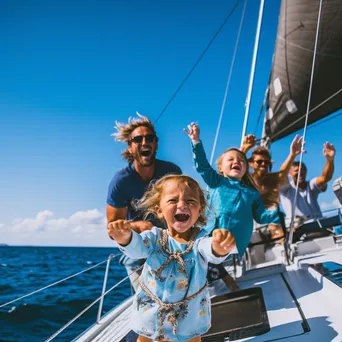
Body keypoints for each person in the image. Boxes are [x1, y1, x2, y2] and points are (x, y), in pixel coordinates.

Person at [108, 174, 236, 342]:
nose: (182, 204)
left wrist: (219, 247)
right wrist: (125, 237)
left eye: (191, 201)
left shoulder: (200, 241)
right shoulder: (154, 237)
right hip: (152, 314)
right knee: (145, 338)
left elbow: (210, 249)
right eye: (173, 200)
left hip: (189, 317)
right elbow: (138, 248)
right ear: (159, 210)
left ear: (199, 210)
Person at [106, 114, 181, 290]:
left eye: (150, 138)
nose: (144, 142)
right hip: (139, 254)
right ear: (130, 148)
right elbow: (112, 229)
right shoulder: (120, 181)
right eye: (138, 139)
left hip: (171, 247)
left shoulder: (172, 172)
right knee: (150, 305)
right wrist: (138, 225)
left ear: (156, 144)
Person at [184, 122, 280, 258]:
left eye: (241, 160)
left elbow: (261, 216)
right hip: (210, 235)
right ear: (221, 168)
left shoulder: (252, 193)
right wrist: (196, 141)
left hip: (236, 243)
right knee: (210, 254)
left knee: (223, 257)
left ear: (246, 168)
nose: (236, 162)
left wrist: (277, 215)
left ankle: (219, 271)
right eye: (230, 159)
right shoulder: (216, 181)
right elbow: (202, 166)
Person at [240, 134, 303, 242]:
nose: (263, 164)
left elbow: (283, 172)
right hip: (254, 222)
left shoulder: (273, 179)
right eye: (259, 161)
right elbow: (234, 168)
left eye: (266, 162)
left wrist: (292, 154)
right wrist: (244, 148)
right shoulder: (246, 180)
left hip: (274, 220)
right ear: (251, 163)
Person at [280, 142, 336, 221]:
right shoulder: (286, 189)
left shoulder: (310, 185)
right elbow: (281, 175)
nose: (301, 172)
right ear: (289, 174)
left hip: (318, 226)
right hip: (296, 230)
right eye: (297, 170)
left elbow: (325, 178)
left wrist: (329, 160)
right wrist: (292, 155)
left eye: (303, 170)